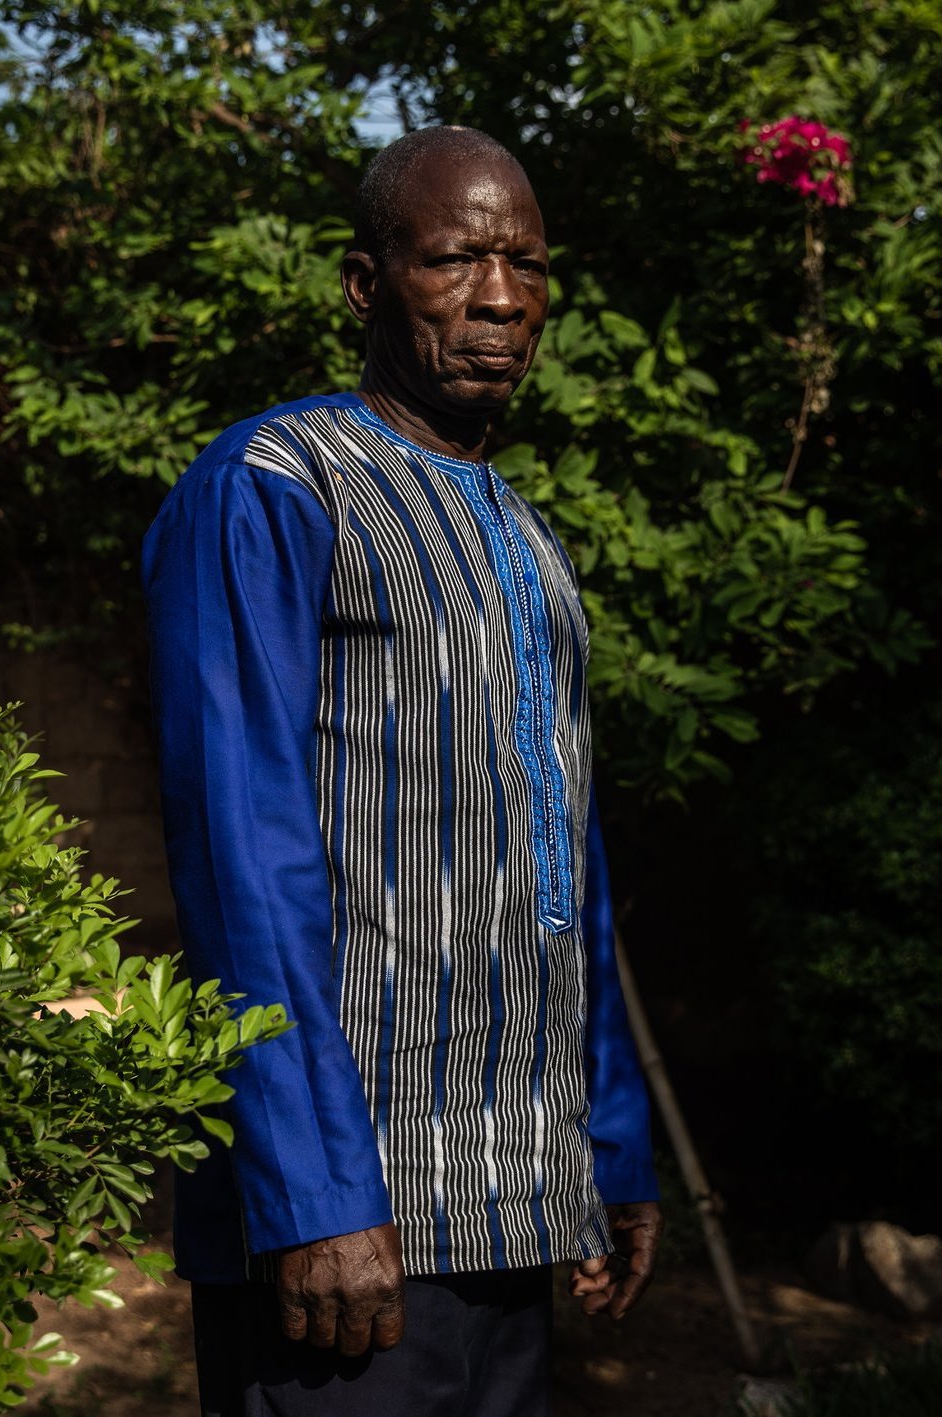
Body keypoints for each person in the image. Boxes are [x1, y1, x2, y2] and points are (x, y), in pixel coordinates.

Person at [143, 125, 662, 1416]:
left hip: (515, 1192)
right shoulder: (271, 484)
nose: (498, 296)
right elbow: (240, 855)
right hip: (352, 1223)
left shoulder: (524, 531)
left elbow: (566, 859)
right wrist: (314, 1193)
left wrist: (609, 1138)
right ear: (365, 283)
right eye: (454, 259)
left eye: (525, 263)